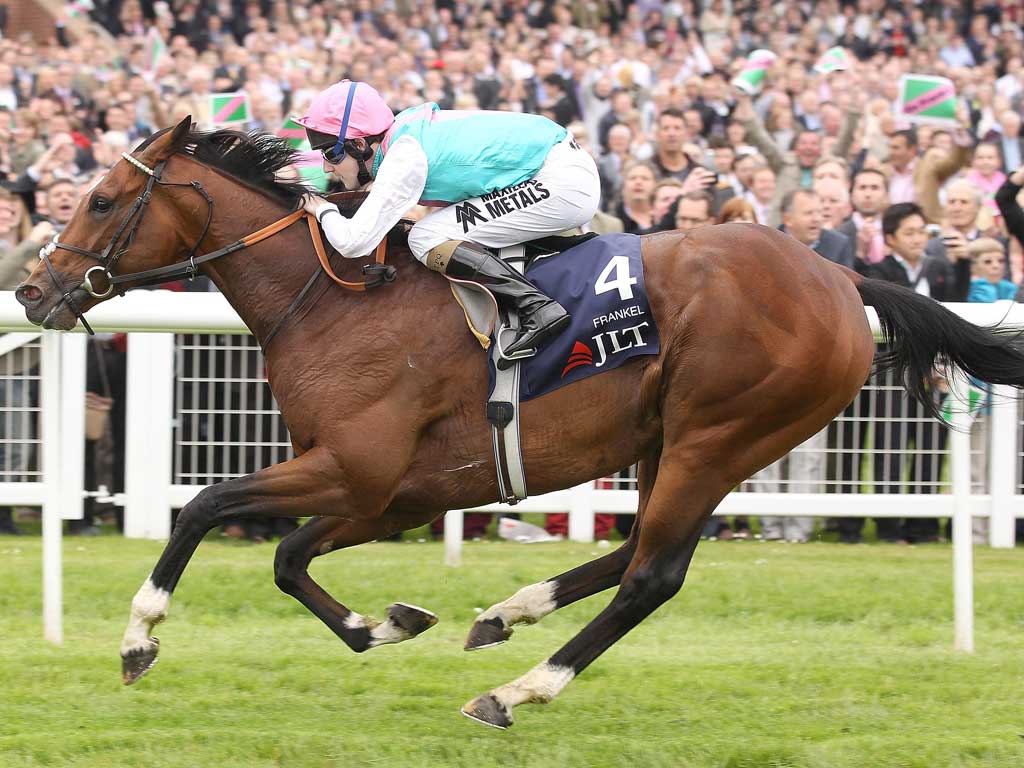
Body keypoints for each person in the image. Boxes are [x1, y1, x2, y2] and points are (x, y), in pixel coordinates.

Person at [296, 81, 600, 365]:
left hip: (561, 182)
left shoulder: (404, 156)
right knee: (432, 229)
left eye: (330, 153)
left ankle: (537, 307)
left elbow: (352, 243)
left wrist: (321, 207)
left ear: (361, 144)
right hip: (556, 167)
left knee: (426, 236)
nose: (326, 168)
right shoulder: (402, 134)